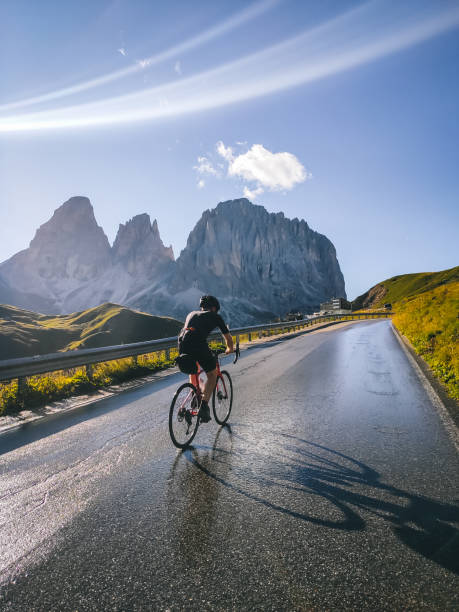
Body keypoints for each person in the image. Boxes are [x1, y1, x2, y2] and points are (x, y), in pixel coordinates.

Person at [178, 295, 233, 423]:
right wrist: (230, 349)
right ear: (214, 308)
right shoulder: (215, 316)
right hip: (198, 344)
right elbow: (228, 338)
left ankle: (196, 394)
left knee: (194, 370)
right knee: (212, 375)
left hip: (182, 343)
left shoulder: (191, 313)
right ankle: (203, 406)